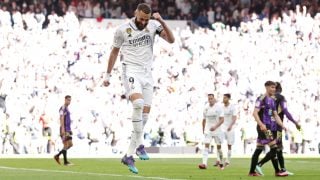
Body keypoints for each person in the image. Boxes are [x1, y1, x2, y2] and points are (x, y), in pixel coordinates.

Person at [103, 3, 175, 174]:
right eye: (141, 18)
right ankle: (141, 145)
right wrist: (107, 75)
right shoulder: (122, 30)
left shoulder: (153, 25)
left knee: (144, 117)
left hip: (147, 74)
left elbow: (171, 40)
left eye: (146, 19)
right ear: (135, 13)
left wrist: (162, 21)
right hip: (130, 69)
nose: (143, 22)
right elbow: (114, 52)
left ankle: (128, 155)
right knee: (138, 104)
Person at [255, 82, 301, 175]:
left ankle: (278, 170)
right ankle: (261, 165)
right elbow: (285, 111)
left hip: (267, 126)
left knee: (274, 148)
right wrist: (295, 122)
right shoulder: (281, 98)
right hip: (277, 127)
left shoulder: (266, 97)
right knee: (277, 148)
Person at [248, 81, 288, 177]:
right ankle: (262, 165)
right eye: (272, 87)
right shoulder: (261, 98)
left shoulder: (272, 100)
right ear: (266, 87)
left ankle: (252, 172)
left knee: (259, 149)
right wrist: (261, 124)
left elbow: (275, 114)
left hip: (269, 127)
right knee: (274, 148)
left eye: (274, 88)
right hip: (264, 127)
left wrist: (282, 125)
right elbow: (255, 113)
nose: (274, 89)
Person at [198, 94, 224, 170]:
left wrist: (215, 127)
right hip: (208, 130)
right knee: (206, 146)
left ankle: (221, 162)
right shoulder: (206, 108)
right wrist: (203, 130)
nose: (210, 100)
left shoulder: (219, 108)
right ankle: (204, 164)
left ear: (214, 99)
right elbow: (204, 120)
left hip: (217, 130)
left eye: (211, 98)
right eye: (209, 99)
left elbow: (222, 119)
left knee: (219, 147)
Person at [54, 95, 73, 166]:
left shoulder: (67, 108)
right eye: (68, 100)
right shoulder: (63, 108)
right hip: (64, 129)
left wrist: (70, 129)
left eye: (70, 100)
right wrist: (63, 129)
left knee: (70, 144)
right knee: (66, 144)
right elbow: (61, 119)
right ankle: (65, 162)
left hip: (68, 129)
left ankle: (57, 156)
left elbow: (67, 119)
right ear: (65, 100)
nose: (69, 101)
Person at [219, 93, 237, 167]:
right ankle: (219, 159)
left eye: (225, 98)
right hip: (222, 128)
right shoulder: (221, 108)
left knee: (229, 145)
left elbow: (234, 117)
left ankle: (227, 160)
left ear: (229, 99)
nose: (224, 99)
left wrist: (230, 125)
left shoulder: (232, 107)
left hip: (230, 128)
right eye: (223, 98)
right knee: (219, 143)